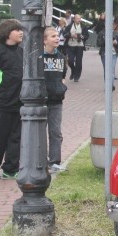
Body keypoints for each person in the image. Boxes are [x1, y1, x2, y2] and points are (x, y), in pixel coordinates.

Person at [0, 19, 24, 179]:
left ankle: (11, 168)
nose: (21, 32)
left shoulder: (21, 52)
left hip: (19, 102)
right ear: (7, 33)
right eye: (17, 30)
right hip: (2, 103)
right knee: (0, 136)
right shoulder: (0, 52)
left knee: (16, 137)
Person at [42, 26, 68, 173]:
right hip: (42, 100)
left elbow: (63, 76)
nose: (57, 38)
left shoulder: (61, 57)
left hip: (57, 101)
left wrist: (62, 88)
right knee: (39, 132)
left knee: (55, 132)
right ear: (45, 40)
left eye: (57, 36)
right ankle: (41, 160)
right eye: (53, 36)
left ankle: (55, 161)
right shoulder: (39, 57)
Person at [64, 13, 89, 82]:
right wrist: (71, 35)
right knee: (70, 61)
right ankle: (73, 70)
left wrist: (82, 37)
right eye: (77, 19)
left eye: (80, 18)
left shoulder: (83, 26)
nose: (79, 20)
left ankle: (77, 76)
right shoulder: (69, 26)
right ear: (74, 19)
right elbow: (64, 34)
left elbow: (87, 36)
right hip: (70, 45)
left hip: (79, 46)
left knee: (79, 62)